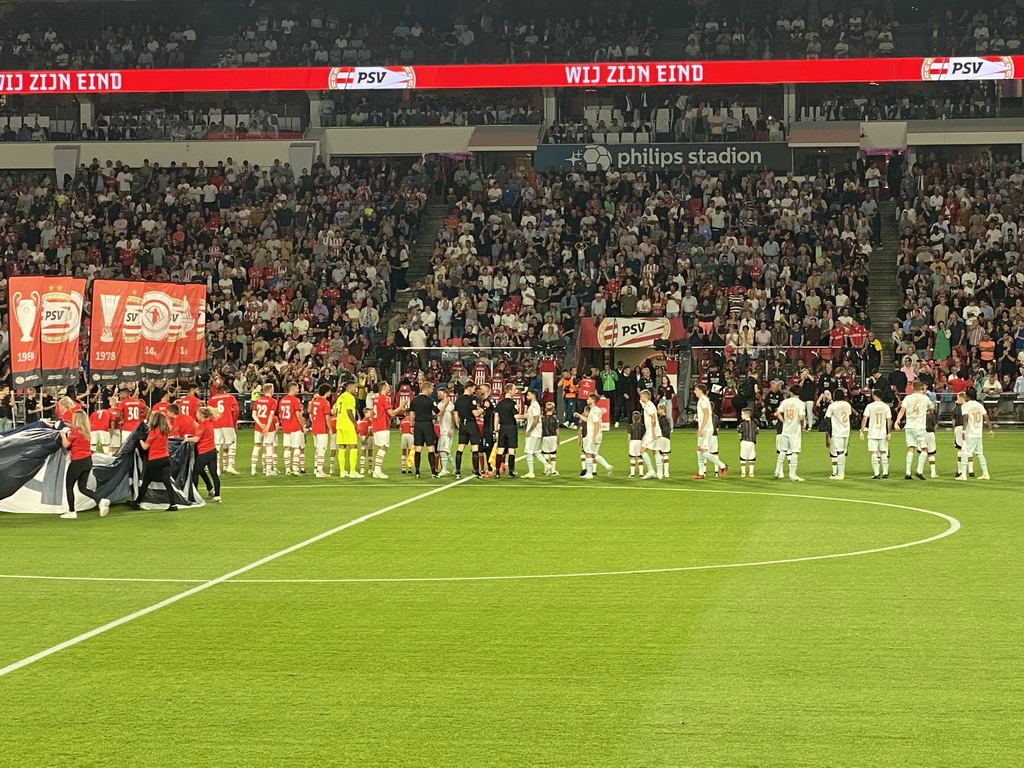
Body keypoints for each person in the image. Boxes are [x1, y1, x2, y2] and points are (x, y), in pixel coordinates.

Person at [59, 411, 110, 519]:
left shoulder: (74, 432)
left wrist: (63, 434)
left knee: (69, 486)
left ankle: (72, 511)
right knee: (83, 488)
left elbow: (65, 444)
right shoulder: (86, 431)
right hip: (87, 461)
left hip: (77, 461)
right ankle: (99, 500)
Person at [133, 411, 177, 511]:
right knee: (167, 482)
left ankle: (137, 502)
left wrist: (139, 439)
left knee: (146, 482)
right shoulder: (165, 431)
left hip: (154, 459)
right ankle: (173, 504)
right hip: (165, 458)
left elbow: (145, 447)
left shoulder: (153, 432)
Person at [895, 380, 934, 480]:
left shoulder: (908, 398)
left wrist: (897, 422)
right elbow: (932, 408)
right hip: (920, 427)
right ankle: (919, 471)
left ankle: (908, 472)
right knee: (924, 448)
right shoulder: (925, 398)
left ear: (912, 387)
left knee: (911, 448)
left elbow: (902, 410)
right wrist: (925, 412)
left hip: (909, 426)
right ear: (921, 387)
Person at [956, 388, 993, 480]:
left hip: (970, 433)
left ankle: (963, 475)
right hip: (978, 433)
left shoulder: (965, 406)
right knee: (980, 453)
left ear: (967, 396)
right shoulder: (979, 405)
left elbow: (965, 417)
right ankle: (985, 473)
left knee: (965, 452)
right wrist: (990, 429)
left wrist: (964, 431)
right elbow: (986, 417)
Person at [185, 407, 221, 502]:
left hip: (204, 452)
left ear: (201, 415)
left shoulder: (202, 426)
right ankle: (217, 495)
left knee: (195, 473)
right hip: (213, 451)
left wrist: (186, 439)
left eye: (197, 413)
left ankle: (194, 495)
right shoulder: (209, 423)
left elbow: (196, 439)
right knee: (214, 474)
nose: (196, 415)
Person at [694, 383, 728, 479]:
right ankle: (700, 473)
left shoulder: (704, 400)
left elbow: (706, 414)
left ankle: (723, 466)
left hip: (706, 429)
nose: (694, 392)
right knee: (699, 450)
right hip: (704, 428)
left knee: (704, 451)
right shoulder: (702, 400)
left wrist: (701, 428)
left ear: (700, 391)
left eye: (696, 390)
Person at [370, 382, 403, 479]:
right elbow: (392, 413)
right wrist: (401, 406)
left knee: (382, 447)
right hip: (382, 426)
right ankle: (377, 470)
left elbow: (372, 413)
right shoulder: (384, 399)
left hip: (376, 426)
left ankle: (377, 470)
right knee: (383, 447)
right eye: (388, 386)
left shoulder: (375, 399)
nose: (389, 388)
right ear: (384, 388)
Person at [860, 389, 893, 479]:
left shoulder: (870, 406)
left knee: (874, 452)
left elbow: (865, 418)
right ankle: (885, 473)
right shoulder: (886, 407)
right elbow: (889, 421)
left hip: (872, 432)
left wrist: (862, 431)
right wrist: (889, 432)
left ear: (874, 396)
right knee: (883, 452)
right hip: (882, 433)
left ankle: (876, 473)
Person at [775, 385, 805, 481]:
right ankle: (793, 474)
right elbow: (801, 417)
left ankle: (777, 470)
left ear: (791, 393)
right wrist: (802, 425)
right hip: (794, 431)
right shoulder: (800, 403)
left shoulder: (785, 402)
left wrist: (784, 421)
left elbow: (777, 413)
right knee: (795, 451)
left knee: (783, 450)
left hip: (785, 429)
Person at [410, 380, 440, 478]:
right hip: (427, 425)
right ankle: (433, 472)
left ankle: (417, 472)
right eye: (431, 389)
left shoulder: (414, 400)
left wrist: (411, 426)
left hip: (418, 425)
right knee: (430, 448)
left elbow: (411, 414)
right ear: (426, 389)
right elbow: (438, 413)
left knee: (418, 448)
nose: (432, 391)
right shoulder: (430, 401)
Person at [453, 382, 483, 479]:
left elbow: (455, 414)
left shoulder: (458, 400)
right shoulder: (471, 400)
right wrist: (484, 408)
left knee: (460, 448)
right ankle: (476, 472)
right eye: (473, 389)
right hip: (471, 425)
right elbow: (476, 414)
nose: (474, 391)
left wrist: (458, 424)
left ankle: (457, 472)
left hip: (462, 425)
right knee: (475, 448)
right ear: (469, 388)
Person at [208, 388, 239, 474]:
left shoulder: (212, 399)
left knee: (217, 445)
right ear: (225, 390)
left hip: (215, 424)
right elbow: (236, 410)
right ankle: (230, 466)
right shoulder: (230, 397)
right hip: (227, 423)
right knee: (232, 444)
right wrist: (234, 422)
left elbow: (209, 412)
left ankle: (216, 468)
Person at [581, 392, 612, 479]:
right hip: (596, 435)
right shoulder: (595, 410)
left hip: (592, 435)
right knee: (593, 454)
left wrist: (594, 437)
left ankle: (589, 473)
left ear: (593, 400)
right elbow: (589, 420)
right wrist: (579, 415)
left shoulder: (594, 410)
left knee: (588, 453)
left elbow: (596, 424)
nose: (587, 400)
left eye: (589, 399)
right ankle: (607, 466)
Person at [824, 388, 853, 480]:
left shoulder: (832, 406)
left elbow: (827, 418)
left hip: (838, 431)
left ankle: (840, 474)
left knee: (839, 452)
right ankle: (841, 472)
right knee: (843, 452)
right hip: (846, 430)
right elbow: (850, 416)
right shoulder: (847, 405)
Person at [251, 383, 279, 476]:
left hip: (258, 427)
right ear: (270, 390)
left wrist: (260, 424)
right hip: (268, 428)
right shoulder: (273, 401)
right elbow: (271, 415)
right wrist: (266, 427)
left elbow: (253, 415)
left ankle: (253, 469)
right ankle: (268, 470)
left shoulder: (258, 401)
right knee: (269, 446)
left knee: (256, 446)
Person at [279, 383, 306, 476]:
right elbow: (298, 414)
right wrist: (303, 426)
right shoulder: (295, 400)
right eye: (297, 388)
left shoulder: (282, 400)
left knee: (287, 448)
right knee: (296, 447)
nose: (298, 390)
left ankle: (287, 470)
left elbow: (280, 414)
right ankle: (295, 468)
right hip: (295, 427)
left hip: (286, 427)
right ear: (293, 389)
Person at [333, 380, 359, 477]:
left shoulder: (340, 397)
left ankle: (342, 471)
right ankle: (352, 472)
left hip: (339, 424)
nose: (355, 389)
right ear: (350, 387)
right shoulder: (349, 397)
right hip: (348, 425)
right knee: (353, 447)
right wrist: (355, 423)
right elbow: (349, 411)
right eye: (354, 387)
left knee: (342, 447)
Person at [522, 389, 549, 479]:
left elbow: (536, 419)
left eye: (528, 395)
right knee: (533, 451)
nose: (527, 396)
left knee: (528, 451)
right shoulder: (534, 405)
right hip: (537, 432)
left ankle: (531, 472)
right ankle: (546, 464)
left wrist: (530, 430)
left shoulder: (534, 406)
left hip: (534, 433)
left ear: (533, 395)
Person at [638, 388, 663, 479]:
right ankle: (659, 473)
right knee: (655, 451)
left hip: (652, 432)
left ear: (645, 396)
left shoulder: (649, 406)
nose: (640, 397)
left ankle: (651, 470)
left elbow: (653, 418)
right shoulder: (649, 405)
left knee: (642, 450)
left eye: (641, 396)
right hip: (653, 432)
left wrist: (652, 432)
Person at [951, 392, 974, 479]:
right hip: (969, 428)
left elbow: (953, 419)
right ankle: (971, 470)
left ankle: (960, 470)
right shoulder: (970, 407)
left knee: (960, 449)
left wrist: (954, 429)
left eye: (957, 398)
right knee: (969, 449)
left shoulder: (958, 408)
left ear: (961, 399)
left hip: (959, 428)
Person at [436, 386, 456, 476]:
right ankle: (455, 465)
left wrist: (452, 427)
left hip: (447, 430)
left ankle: (444, 469)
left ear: (445, 394)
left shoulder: (450, 405)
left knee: (444, 450)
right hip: (441, 429)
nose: (438, 395)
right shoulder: (439, 405)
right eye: (438, 393)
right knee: (442, 450)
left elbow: (453, 416)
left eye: (440, 393)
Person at [477, 383, 496, 477]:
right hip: (486, 428)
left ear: (487, 390)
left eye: (481, 389)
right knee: (484, 448)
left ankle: (491, 470)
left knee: (489, 449)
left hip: (490, 428)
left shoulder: (490, 401)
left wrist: (494, 429)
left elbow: (496, 412)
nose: (479, 390)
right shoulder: (484, 401)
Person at [737, 408, 759, 477]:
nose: (741, 416)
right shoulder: (754, 424)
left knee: (743, 456)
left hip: (744, 441)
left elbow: (740, 432)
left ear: (746, 415)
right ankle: (751, 472)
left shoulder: (742, 424)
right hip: (752, 442)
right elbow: (757, 432)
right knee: (751, 456)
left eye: (742, 414)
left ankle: (743, 472)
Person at [541, 401, 560, 476]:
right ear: (554, 409)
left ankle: (545, 470)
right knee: (553, 454)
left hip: (545, 436)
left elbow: (541, 429)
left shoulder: (542, 419)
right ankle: (553, 471)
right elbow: (557, 429)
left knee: (545, 454)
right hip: (553, 436)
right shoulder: (554, 419)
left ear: (545, 409)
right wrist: (558, 439)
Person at [656, 403, 672, 478]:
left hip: (662, 438)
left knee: (659, 455)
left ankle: (660, 472)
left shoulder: (660, 419)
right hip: (668, 438)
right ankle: (666, 472)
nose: (657, 411)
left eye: (658, 409)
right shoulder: (668, 419)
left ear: (662, 410)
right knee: (665, 454)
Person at [627, 411, 644, 477]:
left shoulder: (630, 426)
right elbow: (643, 436)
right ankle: (641, 473)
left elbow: (629, 437)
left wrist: (629, 445)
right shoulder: (642, 426)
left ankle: (632, 473)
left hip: (632, 442)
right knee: (640, 457)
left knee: (633, 457)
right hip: (640, 442)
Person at [357, 408, 374, 474]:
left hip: (362, 437)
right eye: (370, 412)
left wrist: (361, 440)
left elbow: (358, 432)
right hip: (368, 437)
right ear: (365, 413)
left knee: (363, 452)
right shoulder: (369, 421)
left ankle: (362, 469)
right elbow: (369, 431)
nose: (371, 414)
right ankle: (370, 469)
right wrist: (366, 439)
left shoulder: (361, 422)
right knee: (370, 453)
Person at [924, 405, 939, 478]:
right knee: (931, 453)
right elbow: (935, 425)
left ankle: (919, 471)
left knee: (922, 452)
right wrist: (933, 432)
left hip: (922, 434)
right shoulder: (931, 415)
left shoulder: (921, 414)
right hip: (930, 433)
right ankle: (933, 472)